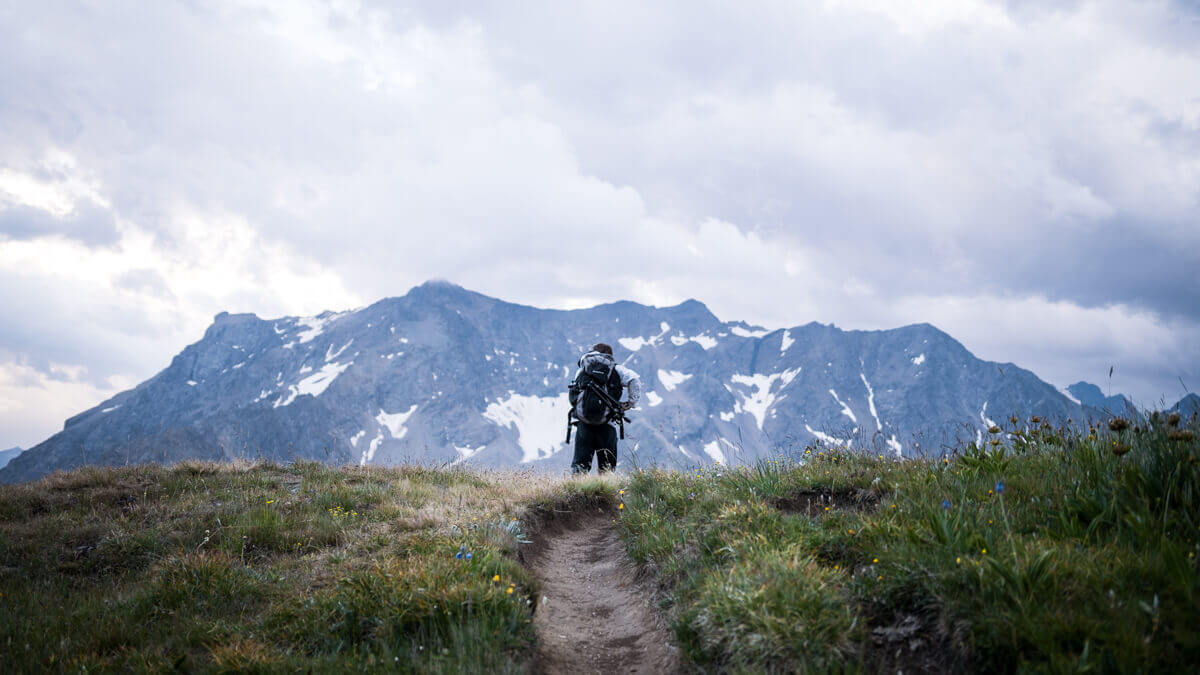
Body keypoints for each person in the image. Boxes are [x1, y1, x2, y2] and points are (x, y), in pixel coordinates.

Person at [569, 343, 640, 474]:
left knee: (580, 466)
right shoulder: (616, 369)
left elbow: (574, 394)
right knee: (607, 468)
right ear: (609, 356)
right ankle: (605, 493)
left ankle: (576, 494)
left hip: (584, 423)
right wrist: (630, 403)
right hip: (608, 423)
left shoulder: (583, 368)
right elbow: (634, 378)